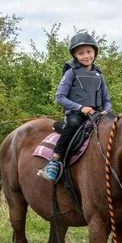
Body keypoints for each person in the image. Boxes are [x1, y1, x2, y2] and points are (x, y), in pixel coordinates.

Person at [37, 32, 112, 183]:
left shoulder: (99, 76)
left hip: (97, 114)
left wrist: (107, 110)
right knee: (73, 125)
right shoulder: (71, 73)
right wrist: (80, 107)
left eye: (89, 52)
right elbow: (60, 97)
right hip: (75, 114)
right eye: (81, 53)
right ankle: (55, 161)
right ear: (75, 55)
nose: (86, 56)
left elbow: (107, 100)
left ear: (94, 53)